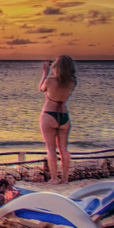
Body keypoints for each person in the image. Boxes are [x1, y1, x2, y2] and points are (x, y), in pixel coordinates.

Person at [39, 55, 77, 184]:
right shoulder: (72, 81)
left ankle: (54, 178)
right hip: (63, 115)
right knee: (63, 149)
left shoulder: (50, 80)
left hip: (49, 114)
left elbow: (41, 89)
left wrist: (45, 72)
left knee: (51, 149)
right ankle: (65, 178)